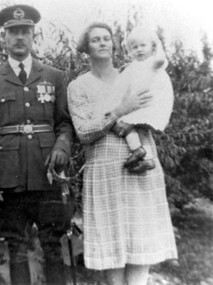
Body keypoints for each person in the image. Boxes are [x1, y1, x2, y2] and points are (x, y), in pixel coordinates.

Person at [67, 22, 177, 285]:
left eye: (107, 38)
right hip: (104, 169)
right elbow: (83, 132)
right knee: (111, 251)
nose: (103, 43)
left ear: (116, 45)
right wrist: (120, 109)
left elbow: (158, 107)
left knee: (141, 243)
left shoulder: (136, 72)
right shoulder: (78, 87)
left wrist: (137, 120)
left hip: (141, 164)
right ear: (86, 48)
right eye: (95, 40)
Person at [0, 4, 74, 285]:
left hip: (47, 174)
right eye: (13, 32)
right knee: (16, 247)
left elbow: (65, 124)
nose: (19, 37)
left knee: (53, 246)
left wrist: (61, 148)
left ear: (33, 36)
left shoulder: (54, 76)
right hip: (10, 178)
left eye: (25, 31)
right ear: (4, 37)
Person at [109, 27, 174, 173]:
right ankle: (147, 158)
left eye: (143, 45)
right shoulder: (133, 66)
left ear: (153, 47)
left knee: (126, 123)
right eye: (134, 47)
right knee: (139, 128)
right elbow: (124, 81)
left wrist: (158, 43)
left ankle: (137, 149)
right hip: (141, 104)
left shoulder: (154, 62)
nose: (139, 50)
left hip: (150, 103)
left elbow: (159, 59)